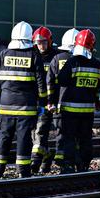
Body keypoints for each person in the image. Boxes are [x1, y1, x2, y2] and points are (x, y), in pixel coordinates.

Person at [0, 21, 47, 178]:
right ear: (29, 38)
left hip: (5, 105)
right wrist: (42, 103)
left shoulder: (2, 56)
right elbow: (42, 85)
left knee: (3, 136)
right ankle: (22, 170)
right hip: (26, 108)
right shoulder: (34, 57)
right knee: (23, 138)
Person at [55, 29, 100, 173]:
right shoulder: (98, 65)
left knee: (69, 138)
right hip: (88, 111)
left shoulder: (72, 62)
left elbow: (61, 80)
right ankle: (83, 164)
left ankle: (69, 164)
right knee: (85, 138)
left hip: (70, 110)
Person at [40, 28, 79, 174]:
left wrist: (51, 100)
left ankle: (62, 159)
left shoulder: (57, 58)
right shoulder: (88, 61)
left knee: (61, 132)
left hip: (60, 104)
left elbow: (51, 80)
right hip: (85, 109)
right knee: (78, 137)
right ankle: (76, 163)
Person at [30, 26, 58, 174]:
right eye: (39, 43)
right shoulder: (33, 55)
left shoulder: (56, 57)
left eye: (44, 42)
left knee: (41, 131)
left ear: (50, 41)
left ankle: (35, 162)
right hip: (33, 101)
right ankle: (47, 157)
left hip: (48, 102)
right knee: (33, 133)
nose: (41, 46)